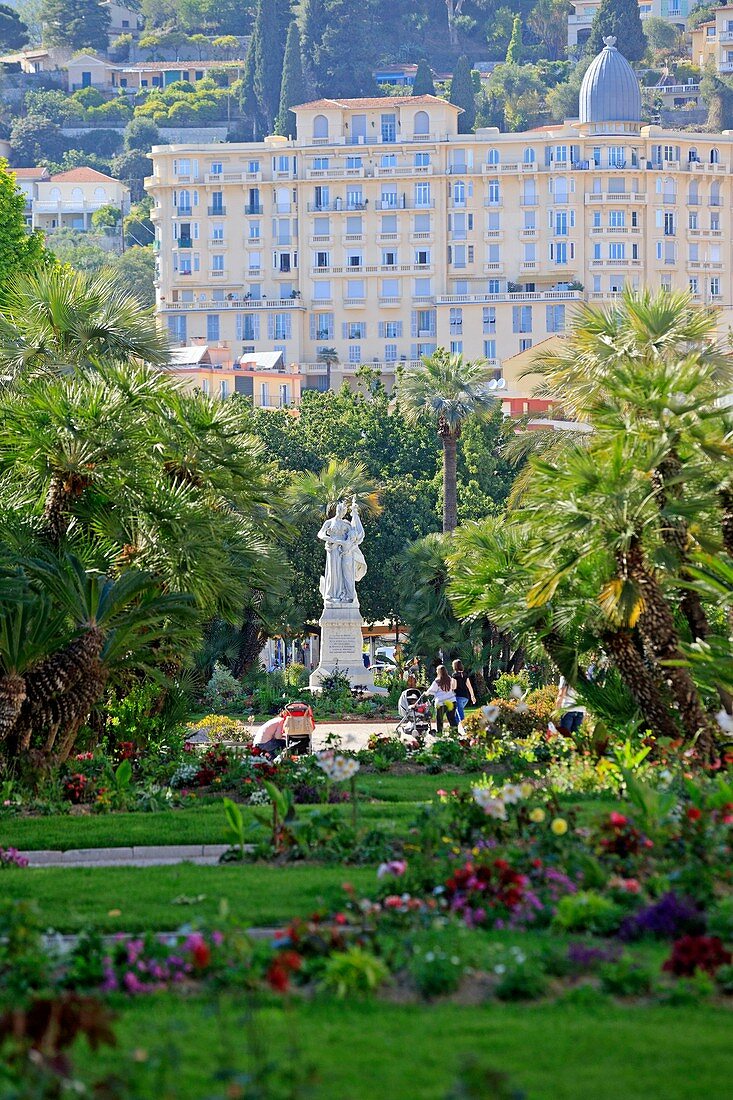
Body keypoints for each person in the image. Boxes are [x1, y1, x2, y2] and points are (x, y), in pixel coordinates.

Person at [426, 664, 458, 734]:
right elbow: (453, 688)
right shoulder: (449, 679)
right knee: (452, 718)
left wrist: (426, 693)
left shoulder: (437, 681)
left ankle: (440, 733)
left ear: (439, 672)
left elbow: (431, 691)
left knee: (439, 719)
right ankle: (455, 732)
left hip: (441, 703)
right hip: (452, 701)